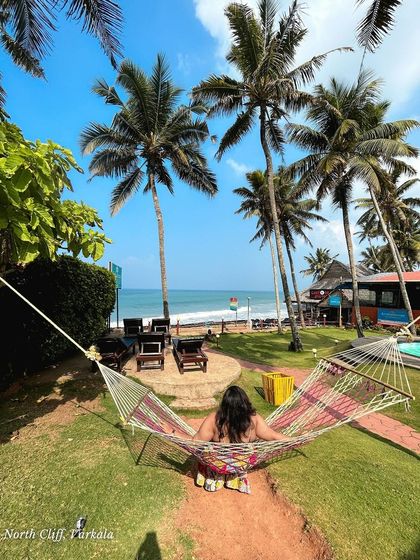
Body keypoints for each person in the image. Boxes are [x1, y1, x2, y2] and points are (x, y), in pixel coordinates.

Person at [192, 385, 291, 494]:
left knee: (206, 449)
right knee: (249, 450)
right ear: (245, 402)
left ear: (224, 404)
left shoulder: (214, 419)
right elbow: (273, 435)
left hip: (218, 464)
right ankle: (234, 477)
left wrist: (174, 433)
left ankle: (215, 476)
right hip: (240, 463)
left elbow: (196, 442)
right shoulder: (254, 419)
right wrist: (295, 440)